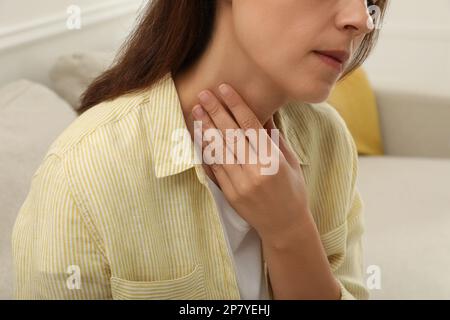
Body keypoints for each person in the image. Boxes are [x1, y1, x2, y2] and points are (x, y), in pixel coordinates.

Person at [12, 0, 388, 299]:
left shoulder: (329, 140)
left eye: (370, 0)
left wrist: (290, 231)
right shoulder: (82, 172)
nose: (362, 17)